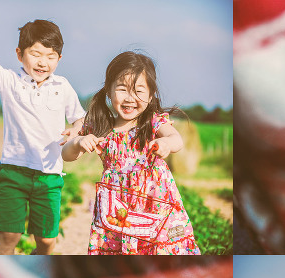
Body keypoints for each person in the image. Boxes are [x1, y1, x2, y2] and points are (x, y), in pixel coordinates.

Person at [0, 1, 86, 255]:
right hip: (14, 171)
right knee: (9, 236)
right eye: (35, 54)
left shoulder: (63, 86)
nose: (43, 62)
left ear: (59, 58)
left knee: (46, 242)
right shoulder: (10, 81)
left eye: (50, 56)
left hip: (49, 176)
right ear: (19, 53)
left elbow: (80, 119)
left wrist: (75, 131)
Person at [61, 51, 200, 255]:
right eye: (122, 89)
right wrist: (79, 142)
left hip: (154, 202)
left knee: (161, 247)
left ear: (151, 95)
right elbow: (66, 154)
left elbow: (177, 139)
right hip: (117, 207)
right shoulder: (101, 126)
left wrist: (166, 144)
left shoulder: (153, 122)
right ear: (109, 90)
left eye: (139, 91)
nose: (130, 98)